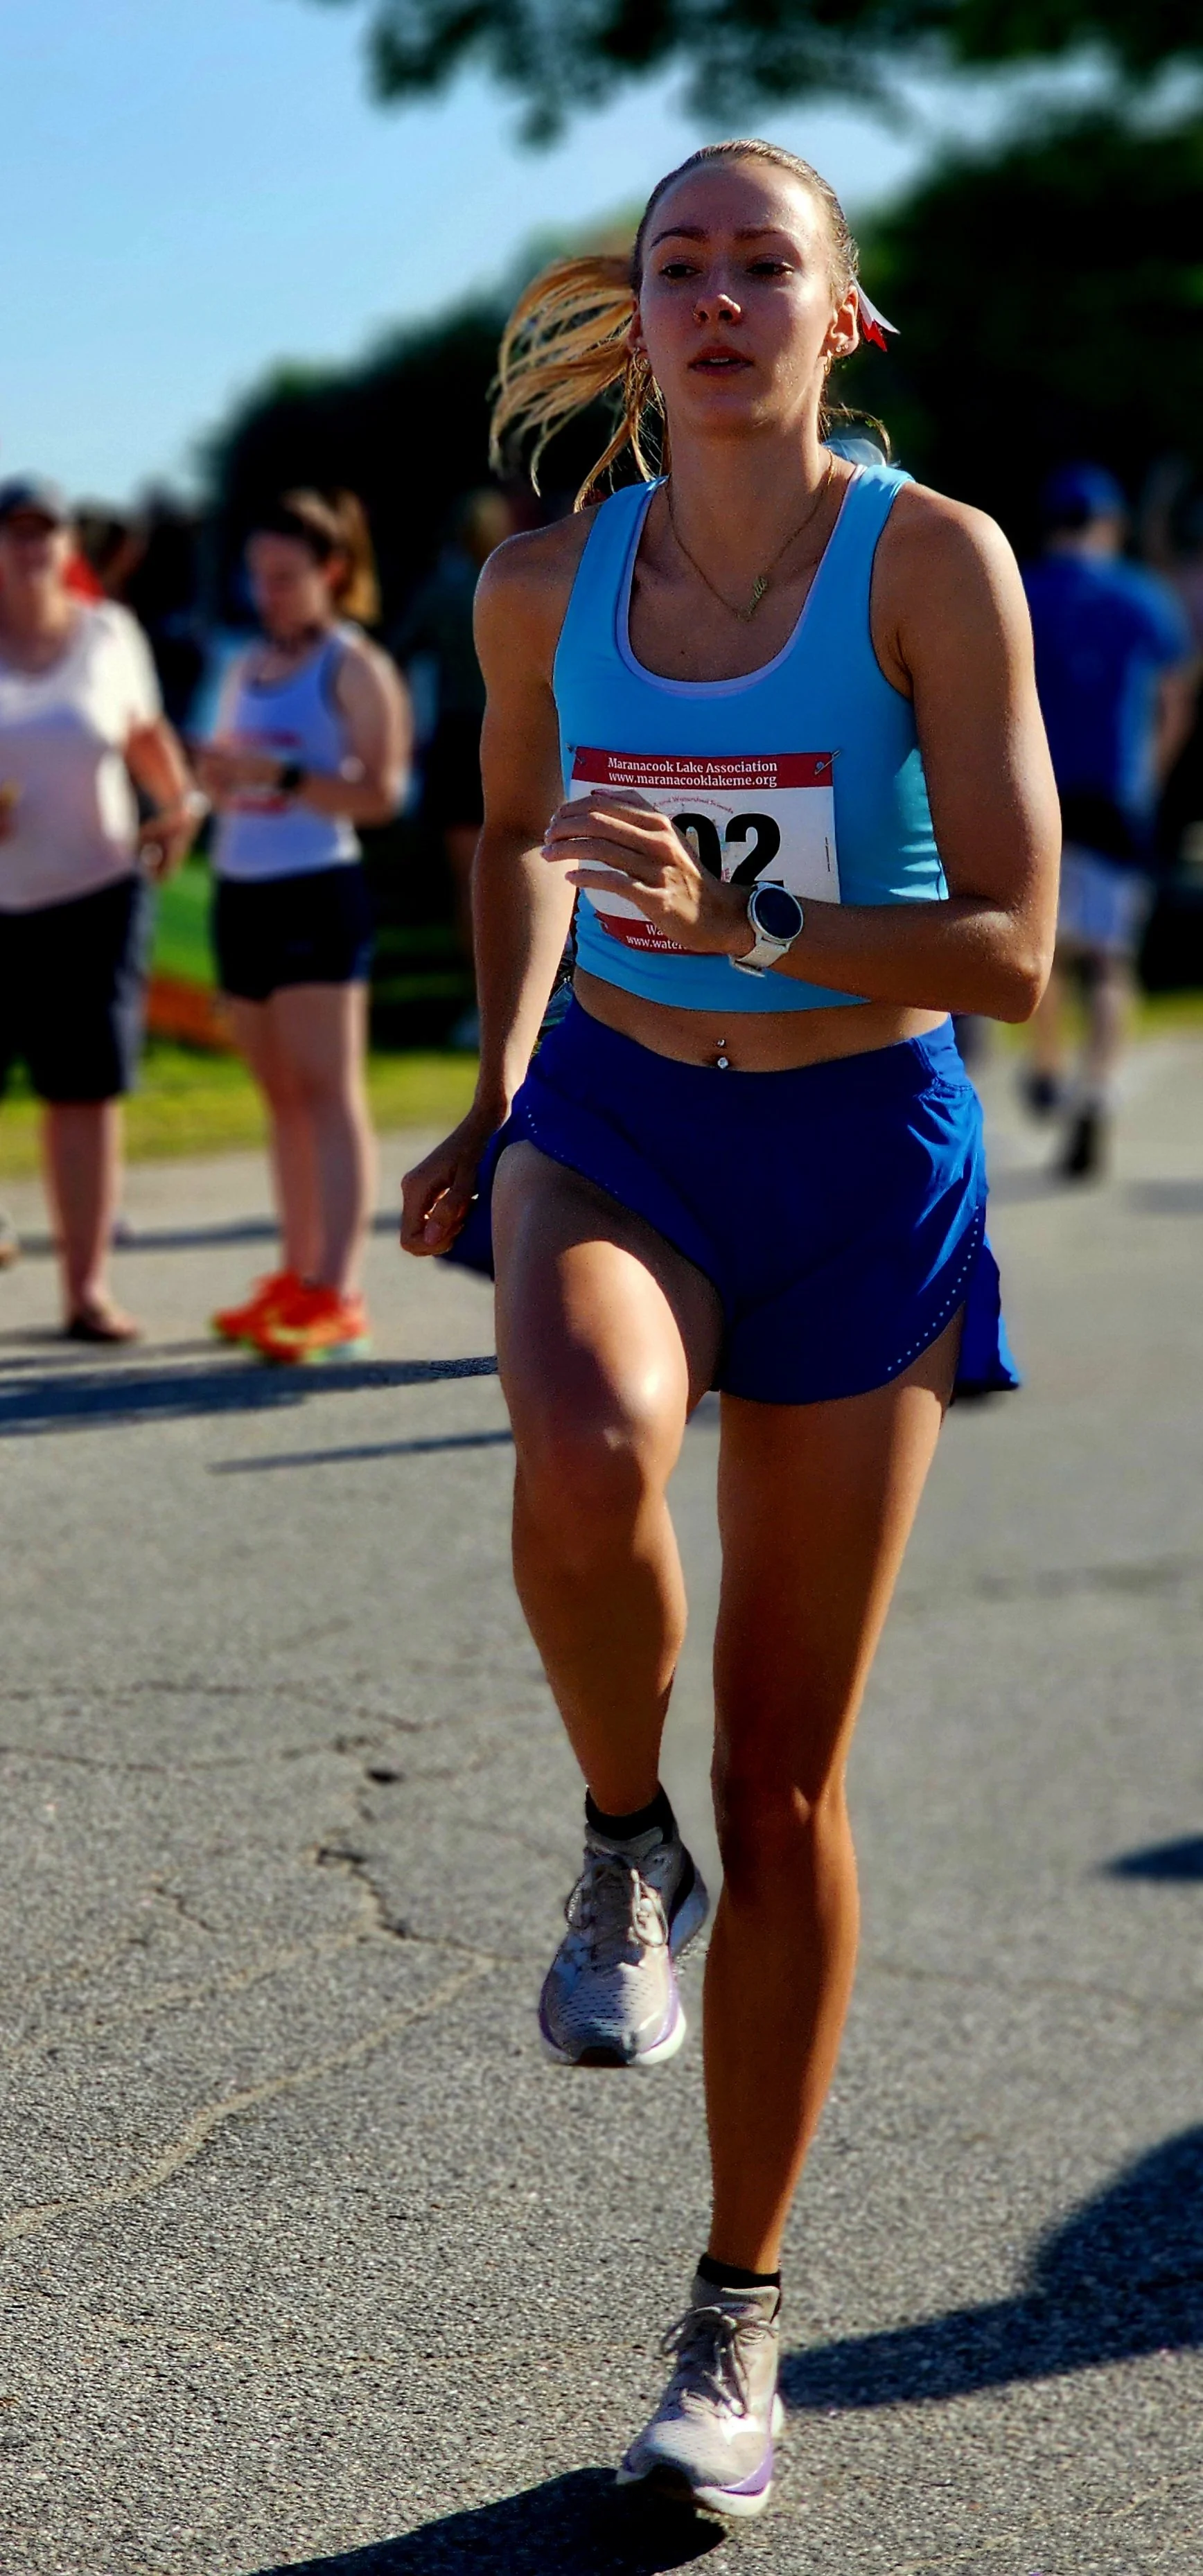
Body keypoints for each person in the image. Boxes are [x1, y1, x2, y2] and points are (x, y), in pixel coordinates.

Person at [401, 140, 1059, 2518]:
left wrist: (749, 919)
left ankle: (734, 2312)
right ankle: (607, 1843)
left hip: (856, 1156)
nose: (706, 300)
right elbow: (504, 832)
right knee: (578, 1445)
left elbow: (1006, 944)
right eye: (672, 266)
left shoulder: (931, 566)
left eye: (754, 265)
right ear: (638, 314)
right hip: (613, 1123)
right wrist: (490, 1084)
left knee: (787, 1785)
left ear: (833, 322)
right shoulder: (538, 586)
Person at [197, 491, 410, 1362]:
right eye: (258, 578)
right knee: (280, 1094)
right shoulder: (243, 664)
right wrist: (208, 777)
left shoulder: (352, 664)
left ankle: (339, 1290)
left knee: (327, 1090)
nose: (268, 593)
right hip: (239, 887)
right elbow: (214, 776)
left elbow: (384, 795)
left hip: (316, 887)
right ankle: (296, 1275)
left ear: (331, 573)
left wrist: (284, 777)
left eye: (285, 577)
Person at [0, 476, 200, 1340]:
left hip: (99, 893)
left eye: (49, 530)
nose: (34, 545)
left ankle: (85, 1291)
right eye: (16, 531)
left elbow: (145, 736)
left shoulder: (108, 634)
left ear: (72, 546)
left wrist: (179, 808)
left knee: (85, 1094)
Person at [1022, 464, 1197, 1178]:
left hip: (1040, 793)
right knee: (1109, 961)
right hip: (1116, 795)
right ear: (1109, 526)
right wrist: (1148, 771)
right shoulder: (1140, 596)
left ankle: (1047, 1065)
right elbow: (1174, 694)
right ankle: (1094, 1089)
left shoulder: (1023, 587)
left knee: (1041, 949)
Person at [390, 488, 516, 1048]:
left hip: (458, 737)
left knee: (472, 883)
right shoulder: (519, 584)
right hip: (516, 734)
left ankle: (484, 1005)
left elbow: (397, 651)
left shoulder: (441, 592)